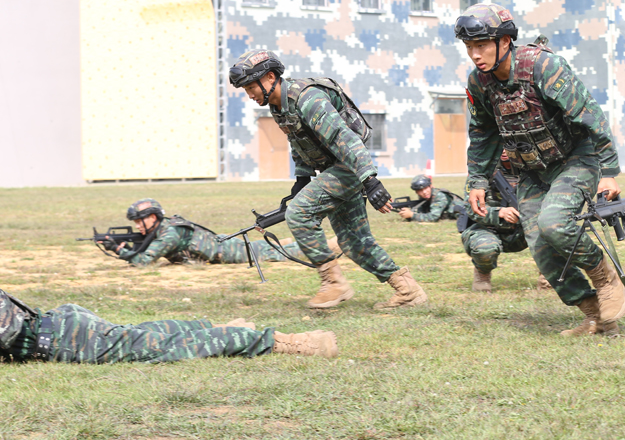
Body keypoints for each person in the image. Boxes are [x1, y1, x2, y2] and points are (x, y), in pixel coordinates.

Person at [457, 3, 625, 337]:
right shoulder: (479, 83)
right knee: (540, 245)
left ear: (505, 41)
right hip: (531, 171)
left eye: (481, 45)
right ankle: (595, 315)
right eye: (469, 48)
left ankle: (604, 277)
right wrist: (477, 180)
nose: (475, 55)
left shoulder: (543, 66)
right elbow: (482, 132)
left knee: (555, 224)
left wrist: (608, 170)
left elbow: (590, 116)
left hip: (574, 159)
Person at [229, 50, 427, 311]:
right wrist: (302, 178)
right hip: (334, 168)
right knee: (353, 242)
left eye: (252, 87)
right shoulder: (278, 106)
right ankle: (408, 290)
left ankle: (333, 283)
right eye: (245, 89)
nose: (250, 94)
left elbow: (343, 139)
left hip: (349, 165)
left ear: (270, 77)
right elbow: (298, 142)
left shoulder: (307, 98)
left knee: (299, 214)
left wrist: (370, 180)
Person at [0, 288, 337, 363]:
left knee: (161, 348)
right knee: (143, 333)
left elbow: (8, 332)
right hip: (61, 323)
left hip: (64, 338)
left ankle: (292, 342)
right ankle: (217, 326)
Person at [114, 199, 308, 267]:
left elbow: (145, 261)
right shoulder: (165, 226)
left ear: (154, 217)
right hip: (219, 243)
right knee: (260, 247)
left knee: (271, 254)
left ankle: (326, 245)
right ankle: (285, 241)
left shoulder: (169, 234)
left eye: (141, 220)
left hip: (224, 251)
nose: (138, 225)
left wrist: (120, 250)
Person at [460, 153, 531, 292]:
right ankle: (482, 274)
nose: (503, 151)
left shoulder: (531, 169)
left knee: (551, 230)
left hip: (523, 230)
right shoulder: (482, 172)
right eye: (500, 146)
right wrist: (499, 212)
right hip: (487, 229)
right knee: (484, 247)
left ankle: (549, 276)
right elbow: (470, 208)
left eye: (507, 146)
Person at [397, 175, 462, 223]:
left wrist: (412, 215)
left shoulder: (439, 196)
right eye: (420, 190)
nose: (424, 192)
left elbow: (433, 217)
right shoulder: (424, 197)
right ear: (416, 192)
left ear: (430, 186)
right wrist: (407, 214)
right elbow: (421, 213)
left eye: (426, 188)